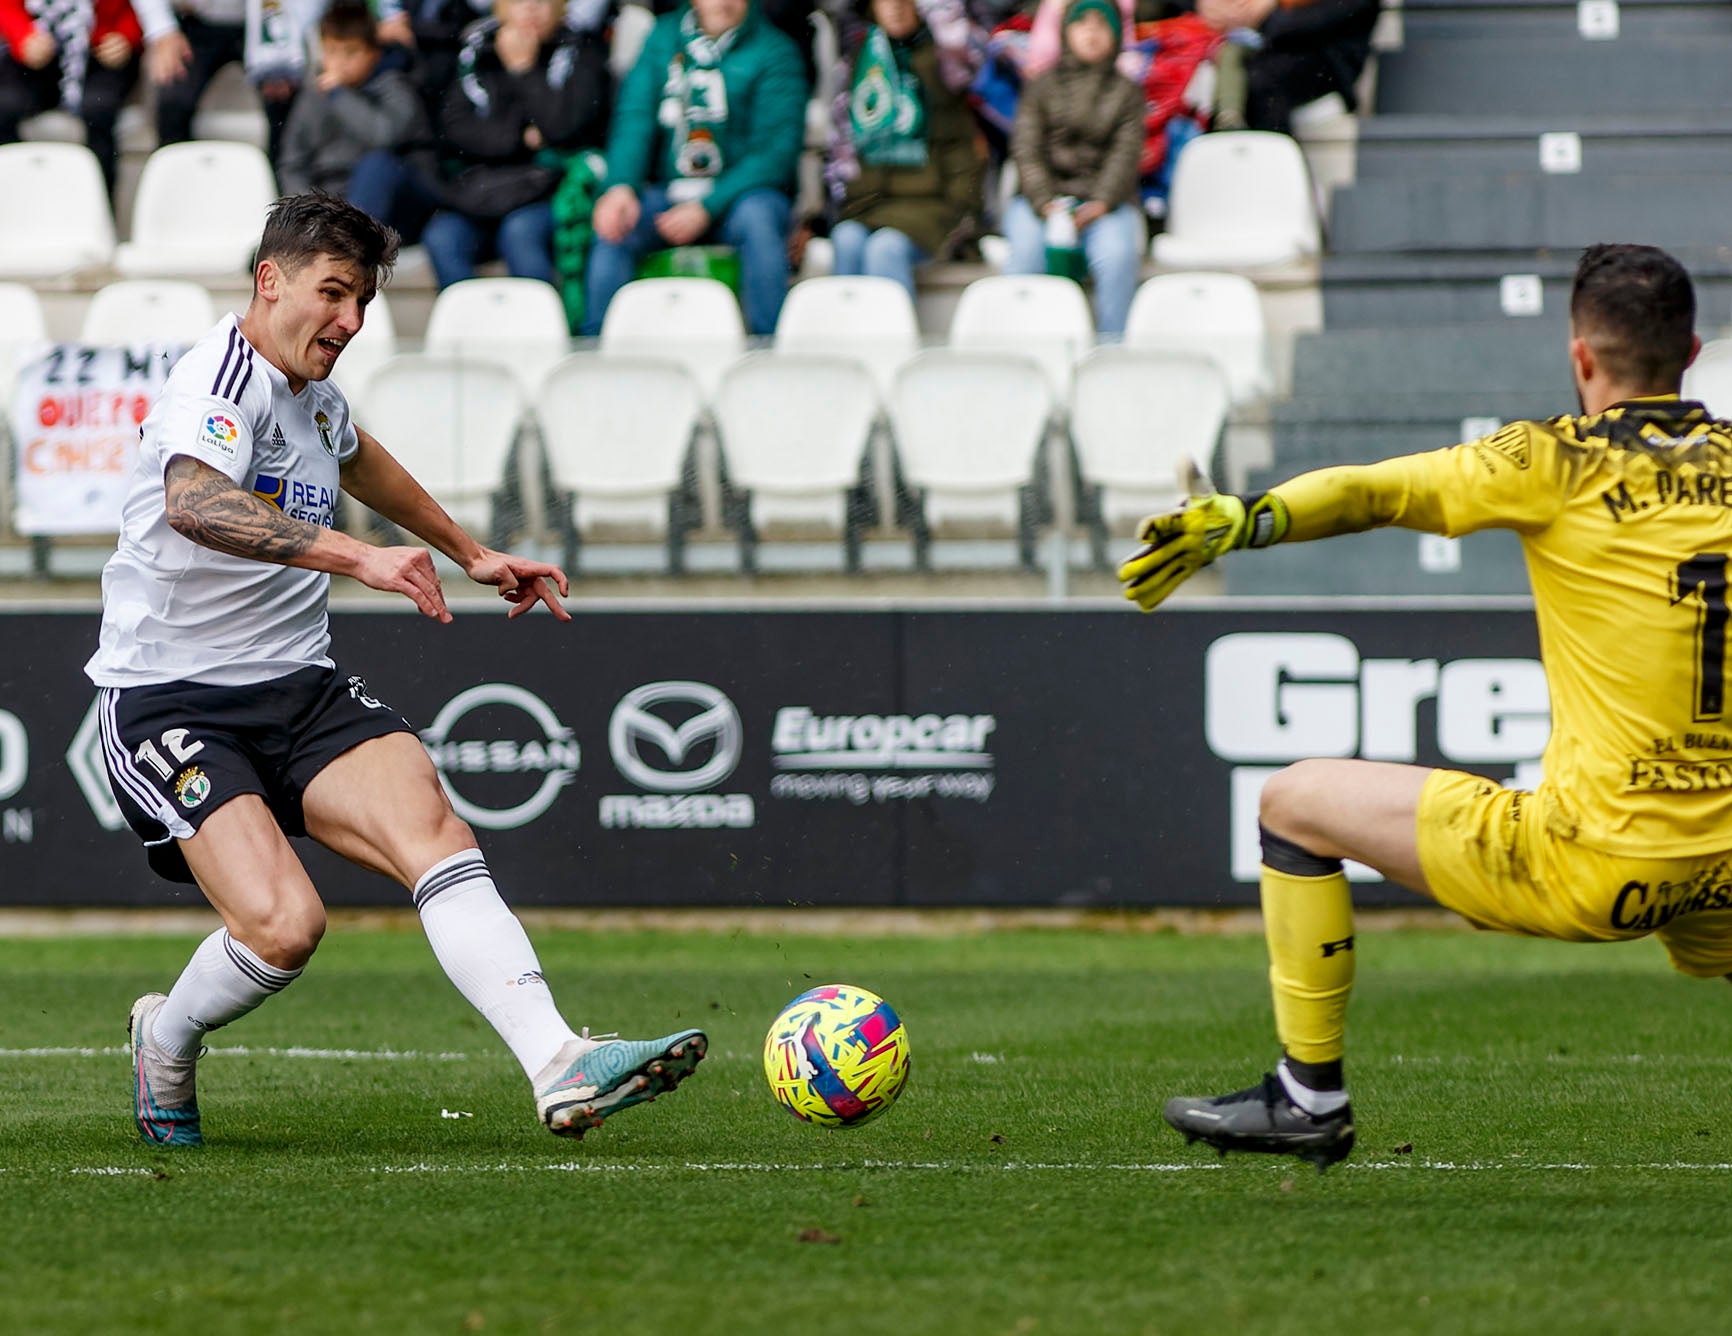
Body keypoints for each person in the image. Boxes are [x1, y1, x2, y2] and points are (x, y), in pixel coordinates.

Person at [92, 192, 705, 1149]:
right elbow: (194, 504)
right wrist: (360, 558)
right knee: (286, 927)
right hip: (171, 698)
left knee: (435, 829)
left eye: (365, 303)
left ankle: (558, 1062)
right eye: (333, 295)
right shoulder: (213, 381)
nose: (350, 322)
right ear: (270, 280)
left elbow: (362, 459)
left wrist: (471, 552)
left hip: (298, 684)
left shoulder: (314, 396)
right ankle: (163, 1041)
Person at [1119, 243, 1732, 1171]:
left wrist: (1248, 519)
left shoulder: (1553, 461)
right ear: (1692, 353)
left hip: (1601, 861)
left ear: (1580, 358)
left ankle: (1305, 1098)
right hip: (1725, 857)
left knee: (1293, 803)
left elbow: (1378, 492)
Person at [584, 0, 807, 337]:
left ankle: (768, 348)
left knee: (760, 220)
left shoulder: (775, 50)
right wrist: (621, 185)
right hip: (670, 194)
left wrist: (707, 206)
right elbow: (635, 117)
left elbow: (775, 154)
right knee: (616, 224)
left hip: (740, 198)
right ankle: (597, 353)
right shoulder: (663, 38)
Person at [420, 0, 611, 289]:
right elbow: (455, 131)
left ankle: (542, 329)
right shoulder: (474, 51)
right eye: (520, 0)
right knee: (442, 236)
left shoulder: (583, 50)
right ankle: (469, 328)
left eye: (543, 2)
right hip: (484, 191)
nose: (531, 8)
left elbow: (564, 129)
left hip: (548, 191)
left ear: (561, 7)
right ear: (500, 8)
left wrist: (523, 71)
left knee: (520, 232)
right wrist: (521, 138)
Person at [823, 0, 984, 302]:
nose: (895, 8)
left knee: (885, 248)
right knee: (845, 239)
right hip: (870, 201)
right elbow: (842, 144)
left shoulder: (943, 62)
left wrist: (963, 207)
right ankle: (846, 339)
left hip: (929, 202)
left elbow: (959, 145)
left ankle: (892, 346)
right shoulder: (859, 61)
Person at [1002, 0, 1143, 336]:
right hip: (1040, 203)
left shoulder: (1128, 92)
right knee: (1025, 256)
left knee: (1117, 256)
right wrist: (1046, 203)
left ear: (1116, 34)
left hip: (1105, 205)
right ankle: (1023, 349)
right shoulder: (1041, 87)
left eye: (1101, 24)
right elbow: (1026, 149)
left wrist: (1100, 203)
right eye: (1083, 23)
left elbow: (1125, 155)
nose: (1091, 33)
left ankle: (1112, 353)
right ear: (1066, 31)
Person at [276, 0, 437, 241]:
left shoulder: (396, 88)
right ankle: (331, 239)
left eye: (351, 52)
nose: (340, 63)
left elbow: (382, 137)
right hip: (331, 208)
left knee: (377, 164)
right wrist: (311, 210)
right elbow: (292, 164)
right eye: (331, 51)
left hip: (397, 210)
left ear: (374, 54)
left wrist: (340, 94)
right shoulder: (313, 95)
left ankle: (346, 243)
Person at [131, 0, 311, 160]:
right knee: (173, 102)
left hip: (268, 16)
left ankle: (284, 191)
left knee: (283, 104)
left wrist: (284, 47)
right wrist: (162, 29)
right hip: (192, 22)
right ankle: (177, 184)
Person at [0, 0, 143, 196]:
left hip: (99, 49)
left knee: (98, 111)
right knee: (5, 105)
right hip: (38, 44)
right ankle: (20, 196)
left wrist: (125, 36)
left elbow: (146, 7)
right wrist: (22, 35)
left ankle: (99, 204)